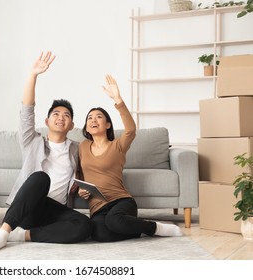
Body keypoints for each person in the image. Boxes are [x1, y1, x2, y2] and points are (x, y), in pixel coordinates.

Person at [0, 51, 91, 253]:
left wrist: (82, 187)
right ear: (47, 122)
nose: (61, 117)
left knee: (84, 226)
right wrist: (33, 75)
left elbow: (87, 172)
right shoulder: (32, 141)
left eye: (66, 115)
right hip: (28, 208)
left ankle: (23, 235)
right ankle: (4, 232)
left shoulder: (77, 148)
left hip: (55, 211)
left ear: (71, 125)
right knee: (41, 178)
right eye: (56, 114)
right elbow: (26, 112)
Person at [77, 74, 183, 242]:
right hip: (97, 207)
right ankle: (132, 228)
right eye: (89, 118)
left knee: (114, 221)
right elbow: (78, 173)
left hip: (120, 201)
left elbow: (131, 130)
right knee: (99, 234)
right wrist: (79, 190)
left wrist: (118, 100)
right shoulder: (82, 146)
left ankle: (154, 227)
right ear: (86, 128)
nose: (93, 120)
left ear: (108, 125)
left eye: (98, 117)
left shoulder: (118, 145)